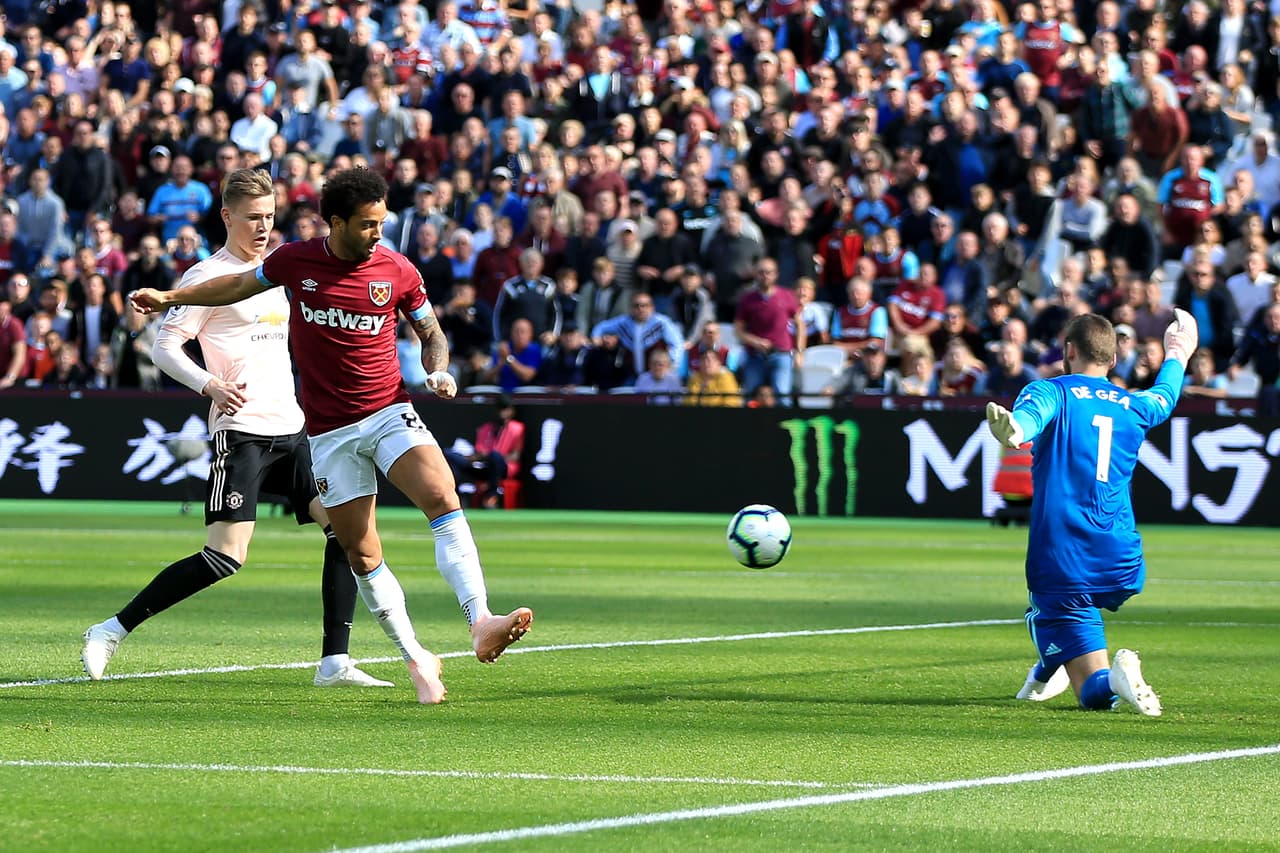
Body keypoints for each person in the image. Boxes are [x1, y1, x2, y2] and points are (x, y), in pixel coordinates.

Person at [128, 168, 533, 704]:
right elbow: (234, 285)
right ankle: (415, 658)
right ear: (335, 222)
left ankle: (479, 619)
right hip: (328, 433)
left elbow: (430, 331)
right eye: (367, 225)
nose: (378, 234)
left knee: (441, 495)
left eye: (383, 223)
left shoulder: (398, 269)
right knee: (361, 553)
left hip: (388, 409)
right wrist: (169, 295)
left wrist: (438, 368)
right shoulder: (295, 262)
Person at [81, 169, 389, 689]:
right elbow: (164, 347)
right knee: (225, 557)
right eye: (252, 218)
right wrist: (210, 387)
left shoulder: (281, 269)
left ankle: (334, 661)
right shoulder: (207, 277)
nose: (263, 227)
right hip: (241, 430)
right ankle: (111, 629)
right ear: (227, 217)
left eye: (269, 216)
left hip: (295, 430)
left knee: (346, 530)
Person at [985, 309, 1199, 717]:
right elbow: (1166, 396)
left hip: (1064, 554)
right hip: (1120, 557)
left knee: (1089, 687)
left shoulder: (1051, 391)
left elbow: (1028, 422)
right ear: (1114, 359)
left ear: (1068, 351)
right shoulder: (1133, 404)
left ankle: (1109, 676)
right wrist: (1178, 351)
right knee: (1061, 624)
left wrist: (1016, 430)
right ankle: (1046, 670)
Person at [445, 394, 525, 509]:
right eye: (500, 408)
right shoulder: (485, 428)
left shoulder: (518, 428)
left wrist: (489, 456)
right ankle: (455, 497)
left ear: (512, 411)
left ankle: (492, 496)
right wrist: (472, 457)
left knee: (495, 456)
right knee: (449, 454)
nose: (503, 412)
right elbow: (479, 453)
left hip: (503, 467)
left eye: (506, 408)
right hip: (483, 466)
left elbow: (515, 456)